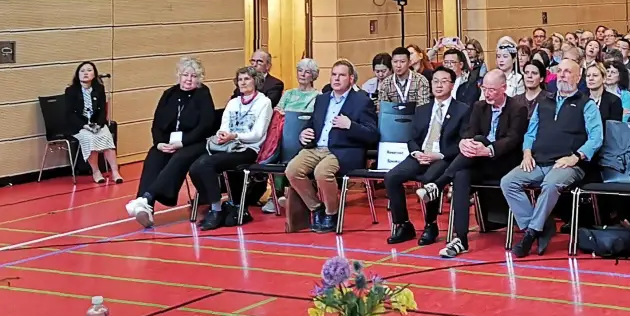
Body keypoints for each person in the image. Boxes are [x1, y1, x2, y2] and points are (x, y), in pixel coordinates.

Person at [501, 58, 603, 257]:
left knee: (549, 185)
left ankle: (530, 234)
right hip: (538, 160)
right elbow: (530, 133)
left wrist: (575, 157)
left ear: (578, 76)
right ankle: (540, 225)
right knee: (508, 182)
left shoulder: (587, 104)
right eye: (560, 71)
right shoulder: (543, 101)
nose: (563, 75)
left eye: (568, 72)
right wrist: (527, 152)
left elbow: (596, 138)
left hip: (568, 164)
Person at [436, 71, 530, 258]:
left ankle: (439, 183)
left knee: (480, 139)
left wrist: (488, 150)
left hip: (504, 164)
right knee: (461, 175)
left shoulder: (517, 108)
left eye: (492, 90)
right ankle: (460, 239)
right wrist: (464, 142)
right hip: (479, 162)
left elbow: (512, 140)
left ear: (504, 88)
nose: (487, 94)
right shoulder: (479, 107)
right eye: (484, 89)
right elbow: (469, 132)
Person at [286, 60, 380, 233]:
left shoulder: (362, 101)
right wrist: (304, 133)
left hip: (343, 150)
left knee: (322, 172)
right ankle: (316, 208)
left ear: (351, 79)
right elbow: (311, 124)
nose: (336, 79)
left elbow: (372, 134)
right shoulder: (322, 99)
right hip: (316, 148)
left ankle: (332, 214)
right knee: (292, 170)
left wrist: (350, 125)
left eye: (342, 75)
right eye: (334, 75)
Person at [126, 57, 216, 228]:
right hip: (168, 142)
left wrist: (182, 143)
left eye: (194, 76)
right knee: (154, 155)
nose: (189, 79)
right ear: (178, 75)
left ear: (199, 78)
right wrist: (159, 142)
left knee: (180, 157)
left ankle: (147, 197)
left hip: (194, 143)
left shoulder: (203, 93)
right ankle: (146, 209)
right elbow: (157, 123)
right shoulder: (169, 94)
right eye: (185, 75)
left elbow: (206, 124)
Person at [384, 68, 468, 246]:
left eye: (444, 81)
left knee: (430, 179)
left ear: (452, 85)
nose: (439, 85)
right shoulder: (422, 109)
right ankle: (403, 224)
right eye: (435, 81)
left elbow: (461, 142)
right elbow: (412, 138)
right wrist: (416, 153)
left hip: (443, 157)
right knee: (392, 177)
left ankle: (431, 225)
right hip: (420, 155)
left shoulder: (462, 110)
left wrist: (438, 155)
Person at [190, 67, 274, 230]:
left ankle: (216, 210)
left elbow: (257, 134)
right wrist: (224, 136)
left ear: (255, 81)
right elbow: (224, 127)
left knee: (205, 164)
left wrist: (234, 136)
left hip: (248, 150)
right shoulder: (233, 102)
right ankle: (218, 204)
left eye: (246, 79)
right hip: (227, 146)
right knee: (194, 167)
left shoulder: (264, 102)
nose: (242, 82)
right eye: (240, 79)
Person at [63, 61, 121, 184]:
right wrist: (85, 126)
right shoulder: (71, 91)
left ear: (94, 74)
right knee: (89, 138)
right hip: (79, 126)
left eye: (89, 70)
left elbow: (102, 110)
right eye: (82, 71)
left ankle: (115, 172)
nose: (85, 73)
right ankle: (96, 171)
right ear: (77, 74)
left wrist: (99, 125)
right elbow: (69, 114)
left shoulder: (99, 89)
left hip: (96, 123)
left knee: (107, 136)